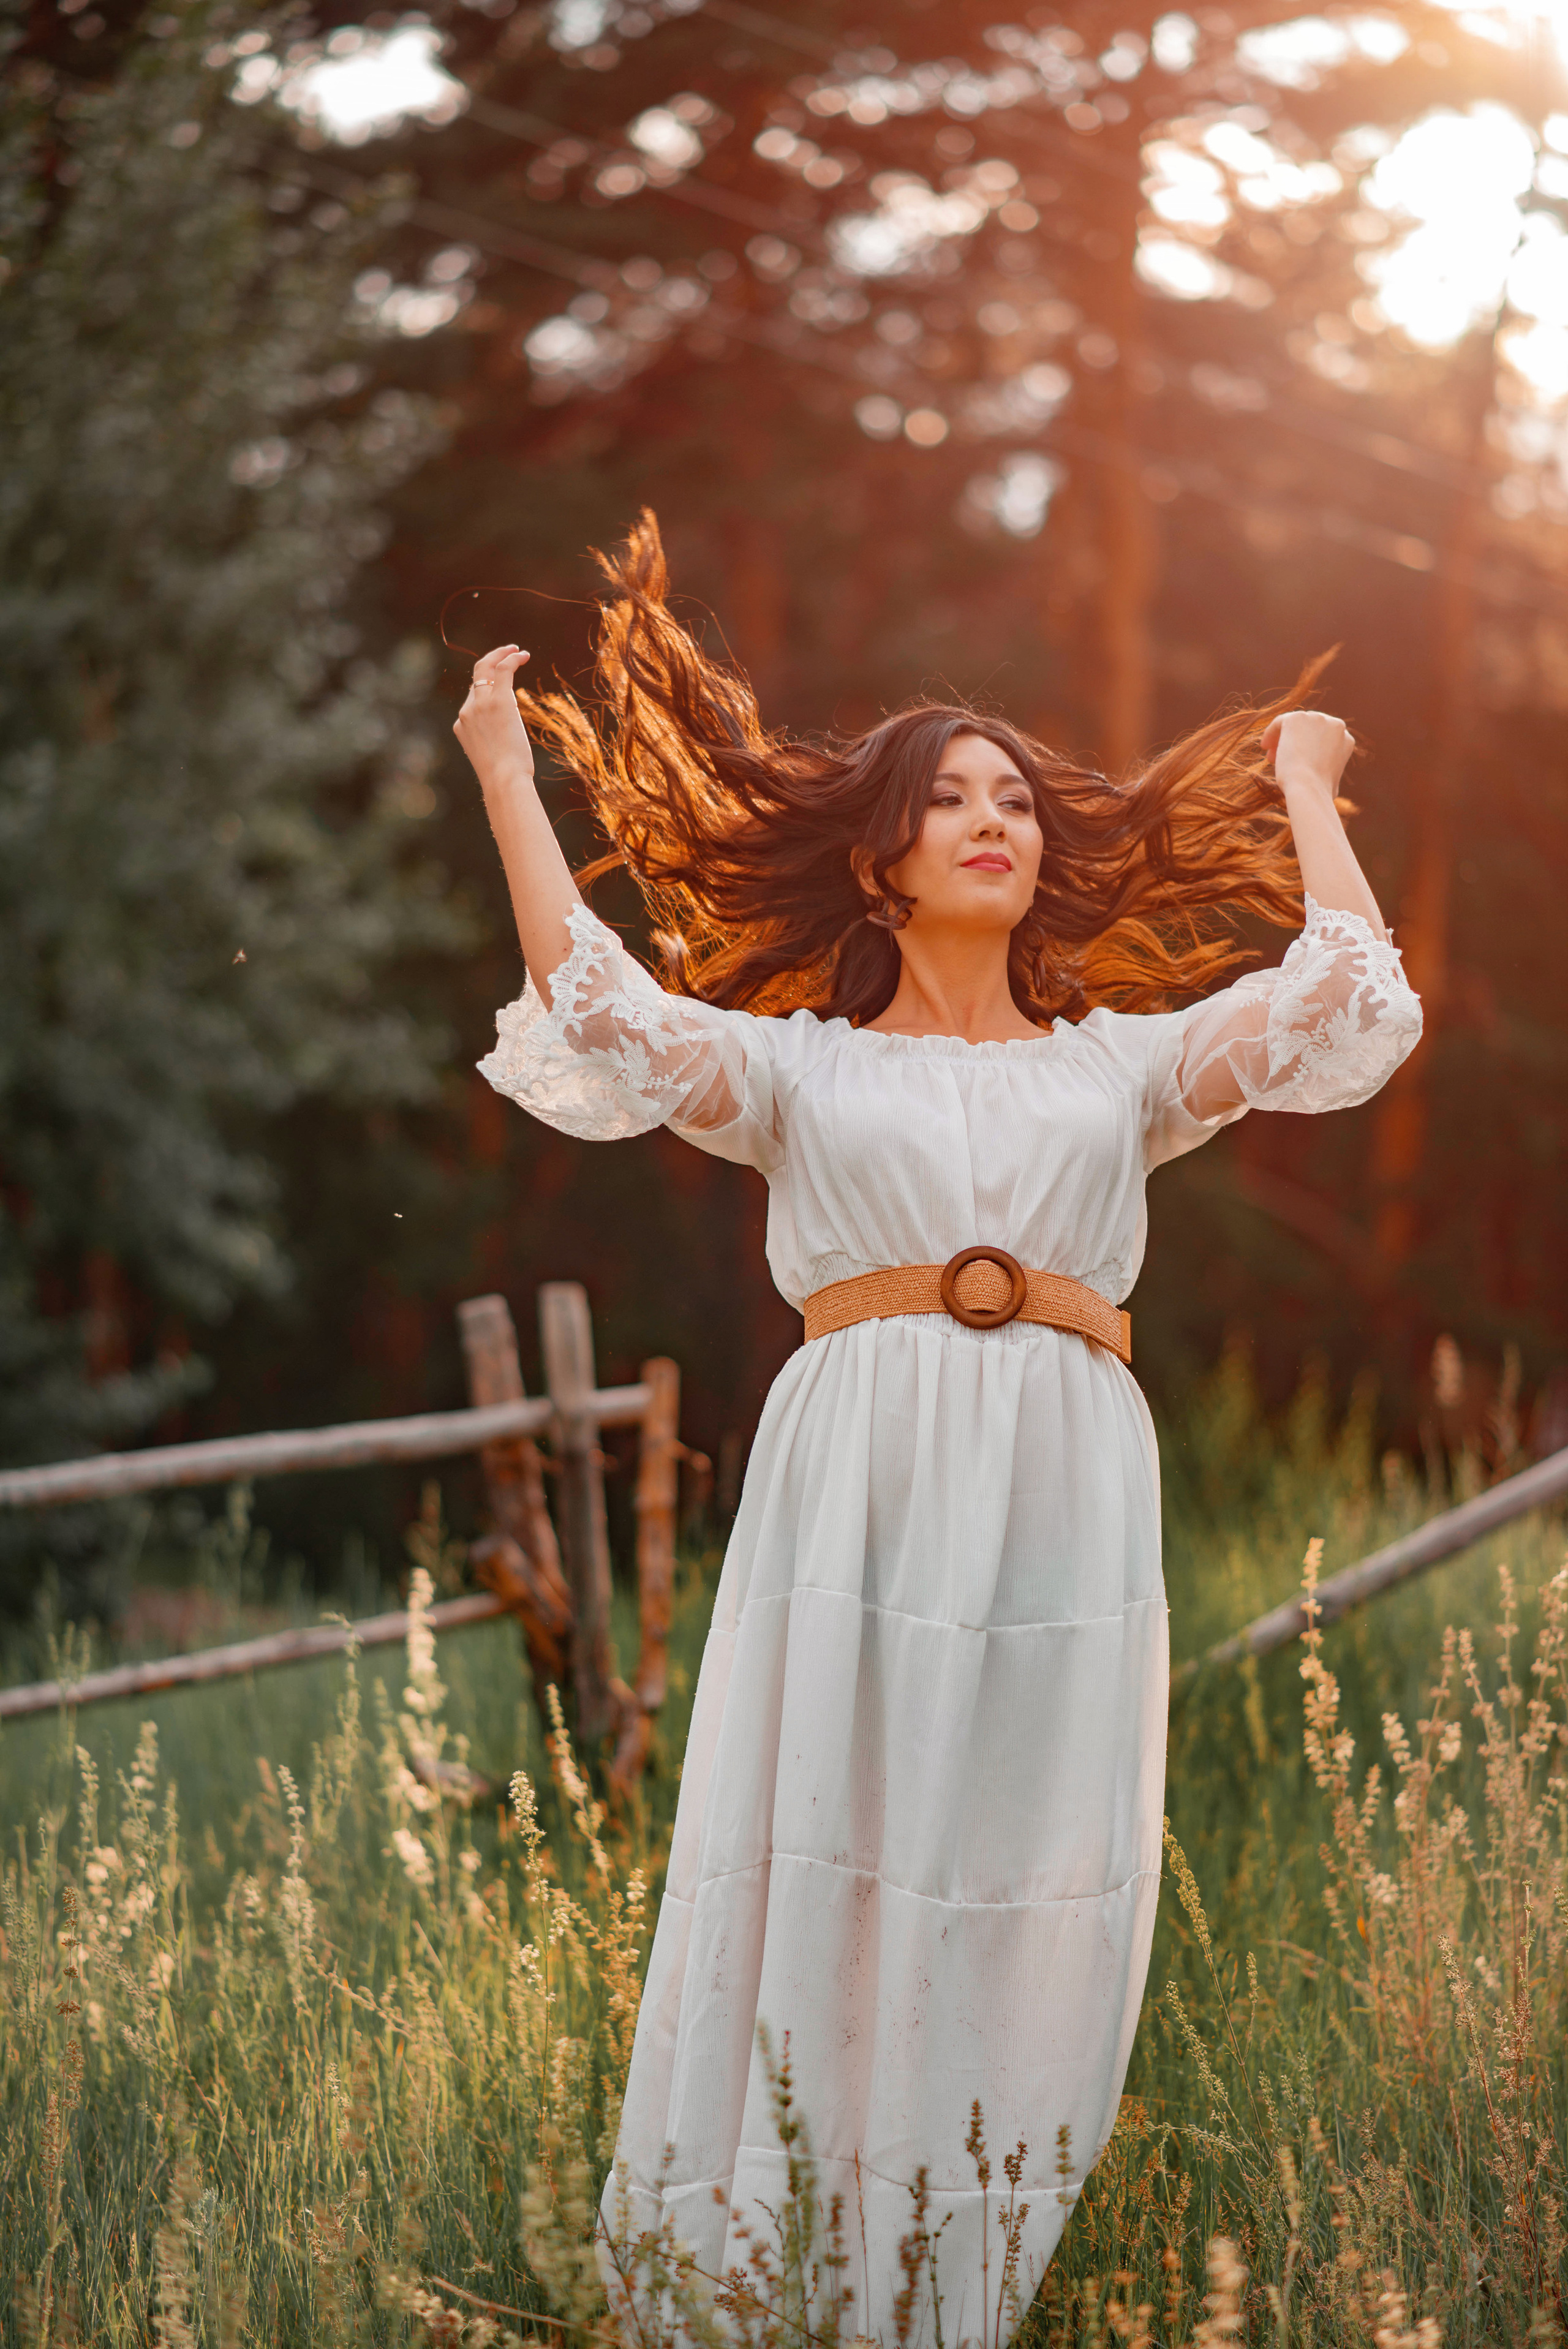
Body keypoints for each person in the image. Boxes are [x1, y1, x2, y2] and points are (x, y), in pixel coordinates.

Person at [453, 513, 1422, 2345]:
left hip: (1068, 1475)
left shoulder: (1121, 1064)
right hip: (860, 1472)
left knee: (1025, 1872)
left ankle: (949, 2282)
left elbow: (1346, 1002)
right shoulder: (799, 1069)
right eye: (954, 797)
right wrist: (509, 772)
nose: (999, 820)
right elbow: (600, 1009)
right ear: (879, 857)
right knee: (830, 1834)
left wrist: (1308, 784)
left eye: (1019, 800)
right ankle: (768, 2277)